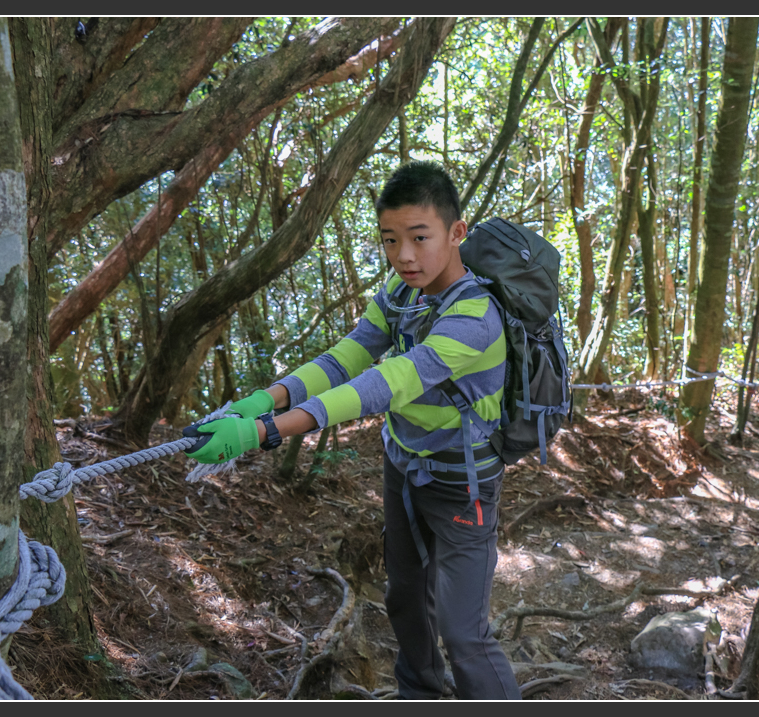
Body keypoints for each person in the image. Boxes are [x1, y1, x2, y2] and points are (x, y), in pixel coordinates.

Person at [184, 160, 521, 700]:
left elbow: (386, 383)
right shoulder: (402, 291)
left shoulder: (475, 317)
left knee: (464, 633)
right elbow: (348, 356)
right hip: (404, 467)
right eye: (391, 240)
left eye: (419, 237)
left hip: (465, 484)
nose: (404, 255)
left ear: (456, 233)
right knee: (405, 599)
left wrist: (263, 432)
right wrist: (261, 401)